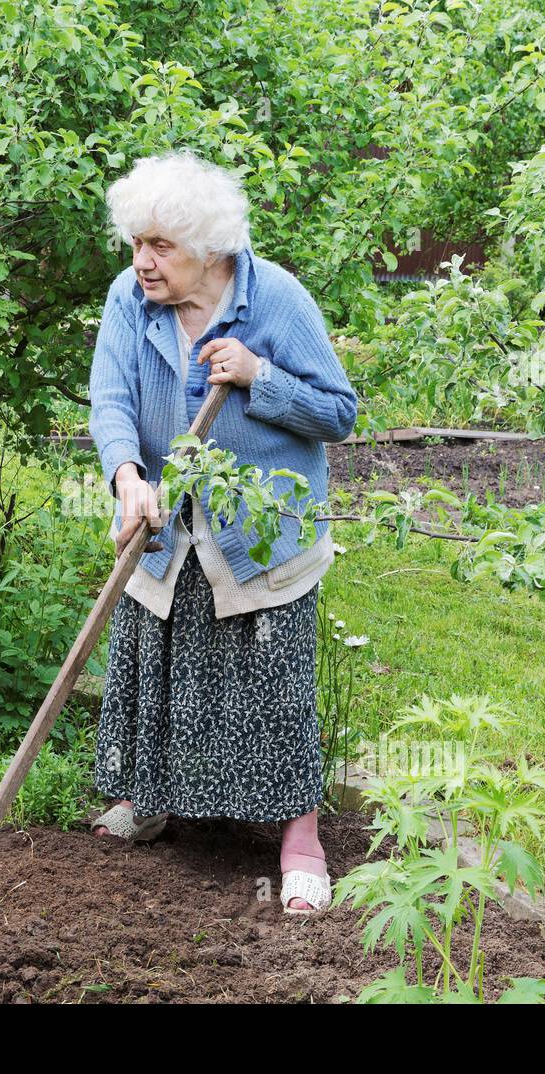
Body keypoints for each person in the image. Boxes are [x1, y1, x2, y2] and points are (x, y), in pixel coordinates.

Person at [86, 149, 358, 913]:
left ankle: (300, 836)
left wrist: (257, 377)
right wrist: (127, 477)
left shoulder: (275, 301)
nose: (141, 261)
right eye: (136, 243)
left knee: (272, 686)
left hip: (261, 532)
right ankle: (153, 799)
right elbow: (109, 400)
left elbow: (339, 411)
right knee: (160, 659)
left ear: (207, 249)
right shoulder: (127, 301)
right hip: (164, 523)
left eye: (159, 246)